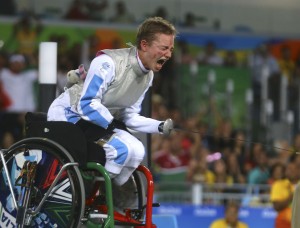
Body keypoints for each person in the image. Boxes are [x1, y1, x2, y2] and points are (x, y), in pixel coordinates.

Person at [47, 17, 177, 186]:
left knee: (137, 151)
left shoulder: (148, 76)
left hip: (99, 123)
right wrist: (113, 124)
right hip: (69, 114)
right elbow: (87, 104)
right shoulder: (108, 63)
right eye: (164, 48)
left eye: (171, 49)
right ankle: (90, 191)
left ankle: (109, 196)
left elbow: (128, 116)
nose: (168, 54)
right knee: (121, 150)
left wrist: (158, 126)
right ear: (144, 45)